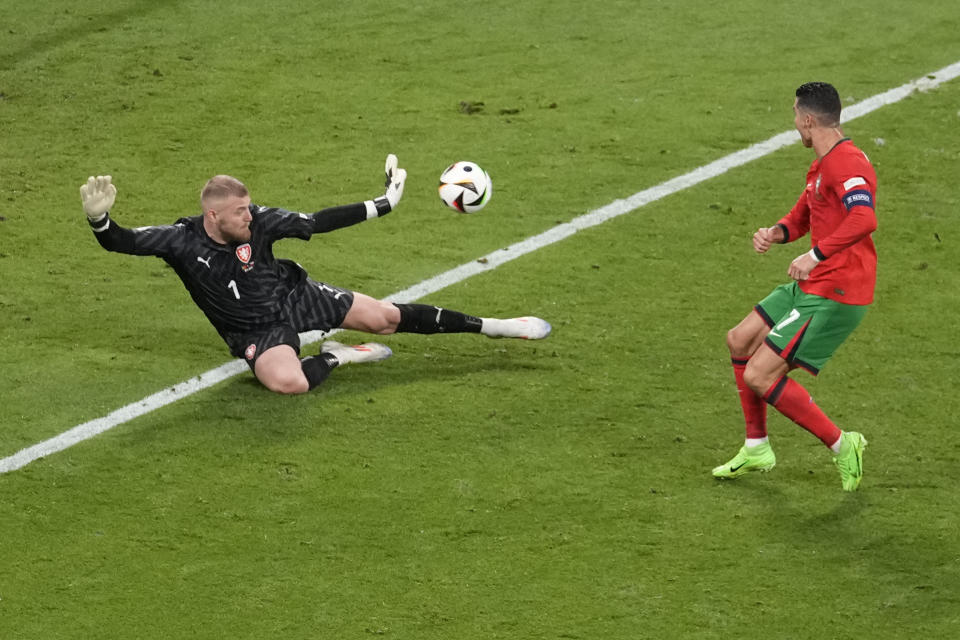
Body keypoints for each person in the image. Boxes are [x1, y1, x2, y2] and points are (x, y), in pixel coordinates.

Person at [80, 155, 551, 395]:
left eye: (249, 208)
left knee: (386, 317)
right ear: (212, 215)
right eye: (240, 212)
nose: (250, 217)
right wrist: (101, 220)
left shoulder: (259, 220)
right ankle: (341, 356)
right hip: (254, 329)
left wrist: (382, 204)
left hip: (295, 295)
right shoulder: (181, 241)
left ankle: (494, 328)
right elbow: (121, 241)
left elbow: (316, 221)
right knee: (290, 385)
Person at [713, 82, 877, 491]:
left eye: (794, 117)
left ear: (807, 119)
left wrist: (814, 255)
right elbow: (806, 214)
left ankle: (843, 445)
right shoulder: (823, 163)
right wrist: (776, 232)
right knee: (740, 339)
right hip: (813, 282)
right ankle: (756, 447)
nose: (794, 126)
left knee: (759, 375)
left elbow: (864, 219)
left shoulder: (846, 163)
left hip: (836, 291)